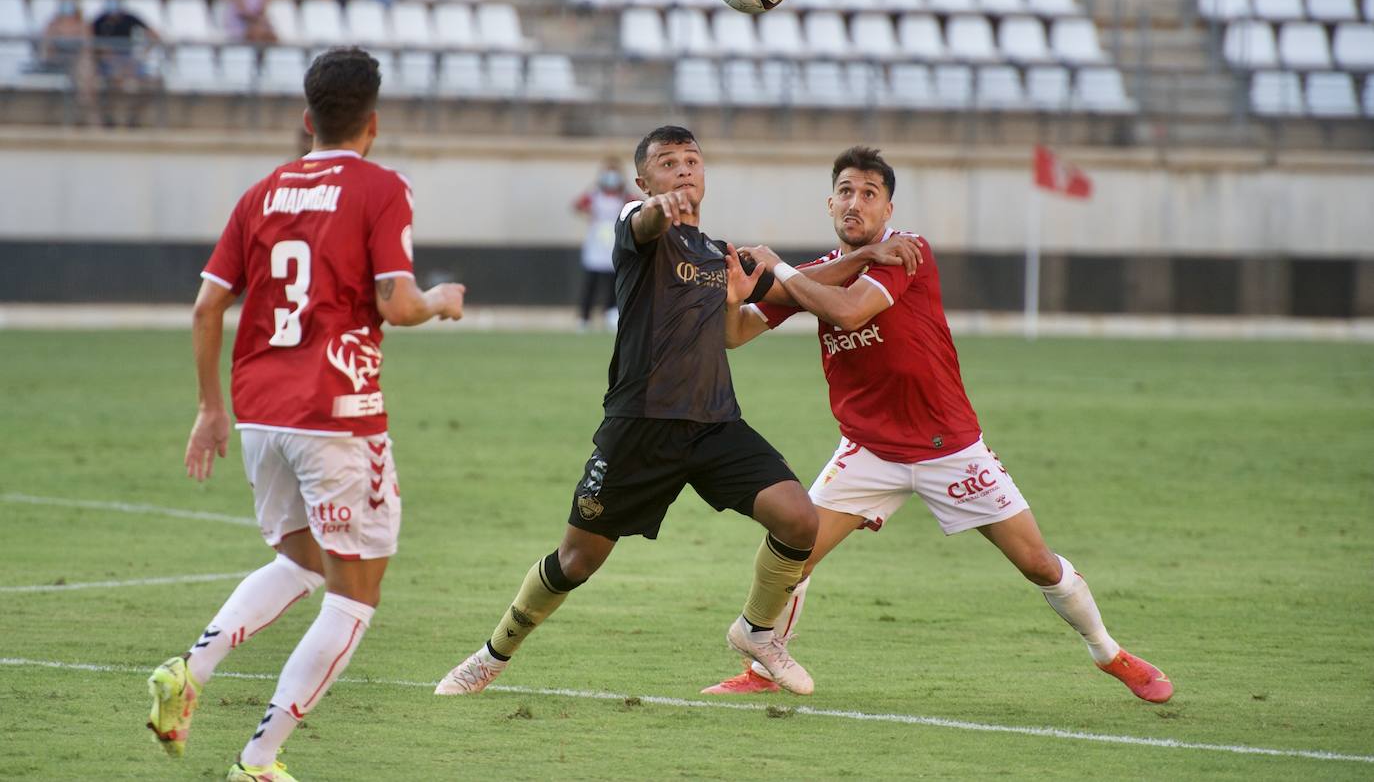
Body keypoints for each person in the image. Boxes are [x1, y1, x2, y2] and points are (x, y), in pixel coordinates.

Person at [434, 126, 922, 698]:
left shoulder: (719, 254)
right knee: (576, 560)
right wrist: (654, 210)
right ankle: (492, 656)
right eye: (668, 163)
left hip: (715, 425)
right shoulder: (635, 227)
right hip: (640, 425)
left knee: (798, 518)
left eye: (692, 160)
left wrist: (865, 256)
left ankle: (759, 632)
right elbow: (642, 222)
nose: (684, 170)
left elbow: (796, 287)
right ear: (644, 180)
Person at [702, 146, 1174, 704]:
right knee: (794, 552)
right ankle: (761, 669)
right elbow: (735, 334)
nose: (855, 203)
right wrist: (735, 298)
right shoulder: (815, 274)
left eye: (869, 194)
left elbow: (849, 311)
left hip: (947, 447)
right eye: (846, 191)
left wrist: (778, 269)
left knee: (1038, 564)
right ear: (830, 202)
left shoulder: (908, 252)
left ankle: (1108, 652)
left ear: (888, 208)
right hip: (870, 451)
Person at [145, 47, 468, 782]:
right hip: (337, 411)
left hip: (260, 411)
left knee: (303, 559)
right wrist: (443, 299)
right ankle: (258, 761)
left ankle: (189, 672)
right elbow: (397, 302)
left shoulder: (261, 194)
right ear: (373, 124)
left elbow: (206, 307)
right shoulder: (382, 188)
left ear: (306, 119)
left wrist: (209, 410)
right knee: (358, 592)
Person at [571, 158, 633, 331]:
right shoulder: (594, 195)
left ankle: (611, 312)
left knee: (613, 281)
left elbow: (638, 205)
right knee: (591, 281)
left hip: (614, 241)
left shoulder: (624, 196)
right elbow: (577, 205)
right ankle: (584, 317)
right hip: (597, 241)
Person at [90, 0, 161, 127]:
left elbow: (154, 36)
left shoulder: (130, 18)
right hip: (108, 63)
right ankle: (110, 117)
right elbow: (91, 43)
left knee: (152, 83)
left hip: (130, 60)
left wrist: (142, 54)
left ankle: (133, 117)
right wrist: (105, 55)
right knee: (111, 81)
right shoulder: (99, 21)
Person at [37, 0, 95, 120]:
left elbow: (87, 48)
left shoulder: (83, 24)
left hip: (76, 63)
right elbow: (45, 48)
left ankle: (84, 107)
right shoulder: (52, 24)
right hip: (57, 62)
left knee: (84, 68)